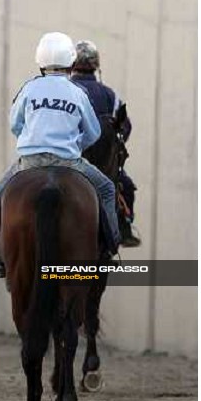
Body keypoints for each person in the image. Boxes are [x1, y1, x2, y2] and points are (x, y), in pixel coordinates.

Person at [0, 32, 120, 278]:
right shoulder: (77, 93)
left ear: (40, 60)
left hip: (29, 162)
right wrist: (76, 144)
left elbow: (15, 124)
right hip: (69, 163)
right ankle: (110, 248)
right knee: (108, 188)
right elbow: (94, 132)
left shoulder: (29, 88)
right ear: (70, 61)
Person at [70, 40, 141, 247]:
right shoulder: (110, 95)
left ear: (72, 64)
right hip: (101, 168)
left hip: (63, 160)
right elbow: (125, 128)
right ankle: (125, 228)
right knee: (126, 186)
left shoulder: (65, 90)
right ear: (96, 65)